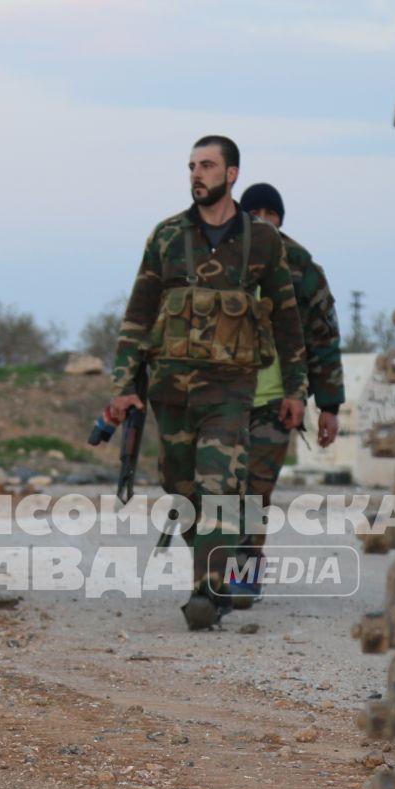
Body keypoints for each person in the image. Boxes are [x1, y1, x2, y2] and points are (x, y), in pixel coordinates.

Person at [103, 136, 307, 630]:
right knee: (184, 487)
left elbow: (285, 319)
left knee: (220, 485)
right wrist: (123, 384)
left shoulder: (262, 240)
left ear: (231, 174)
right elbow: (139, 313)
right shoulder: (167, 236)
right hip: (170, 389)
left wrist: (295, 390)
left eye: (208, 165)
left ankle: (207, 590)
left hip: (231, 388)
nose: (197, 174)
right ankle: (214, 572)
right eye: (193, 166)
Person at [228, 182, 345, 607]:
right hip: (222, 396)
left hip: (277, 401)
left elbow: (324, 336)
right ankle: (212, 572)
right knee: (218, 488)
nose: (261, 218)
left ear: (280, 218)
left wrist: (329, 405)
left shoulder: (300, 266)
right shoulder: (223, 259)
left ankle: (243, 574)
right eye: (253, 211)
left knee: (255, 491)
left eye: (269, 212)